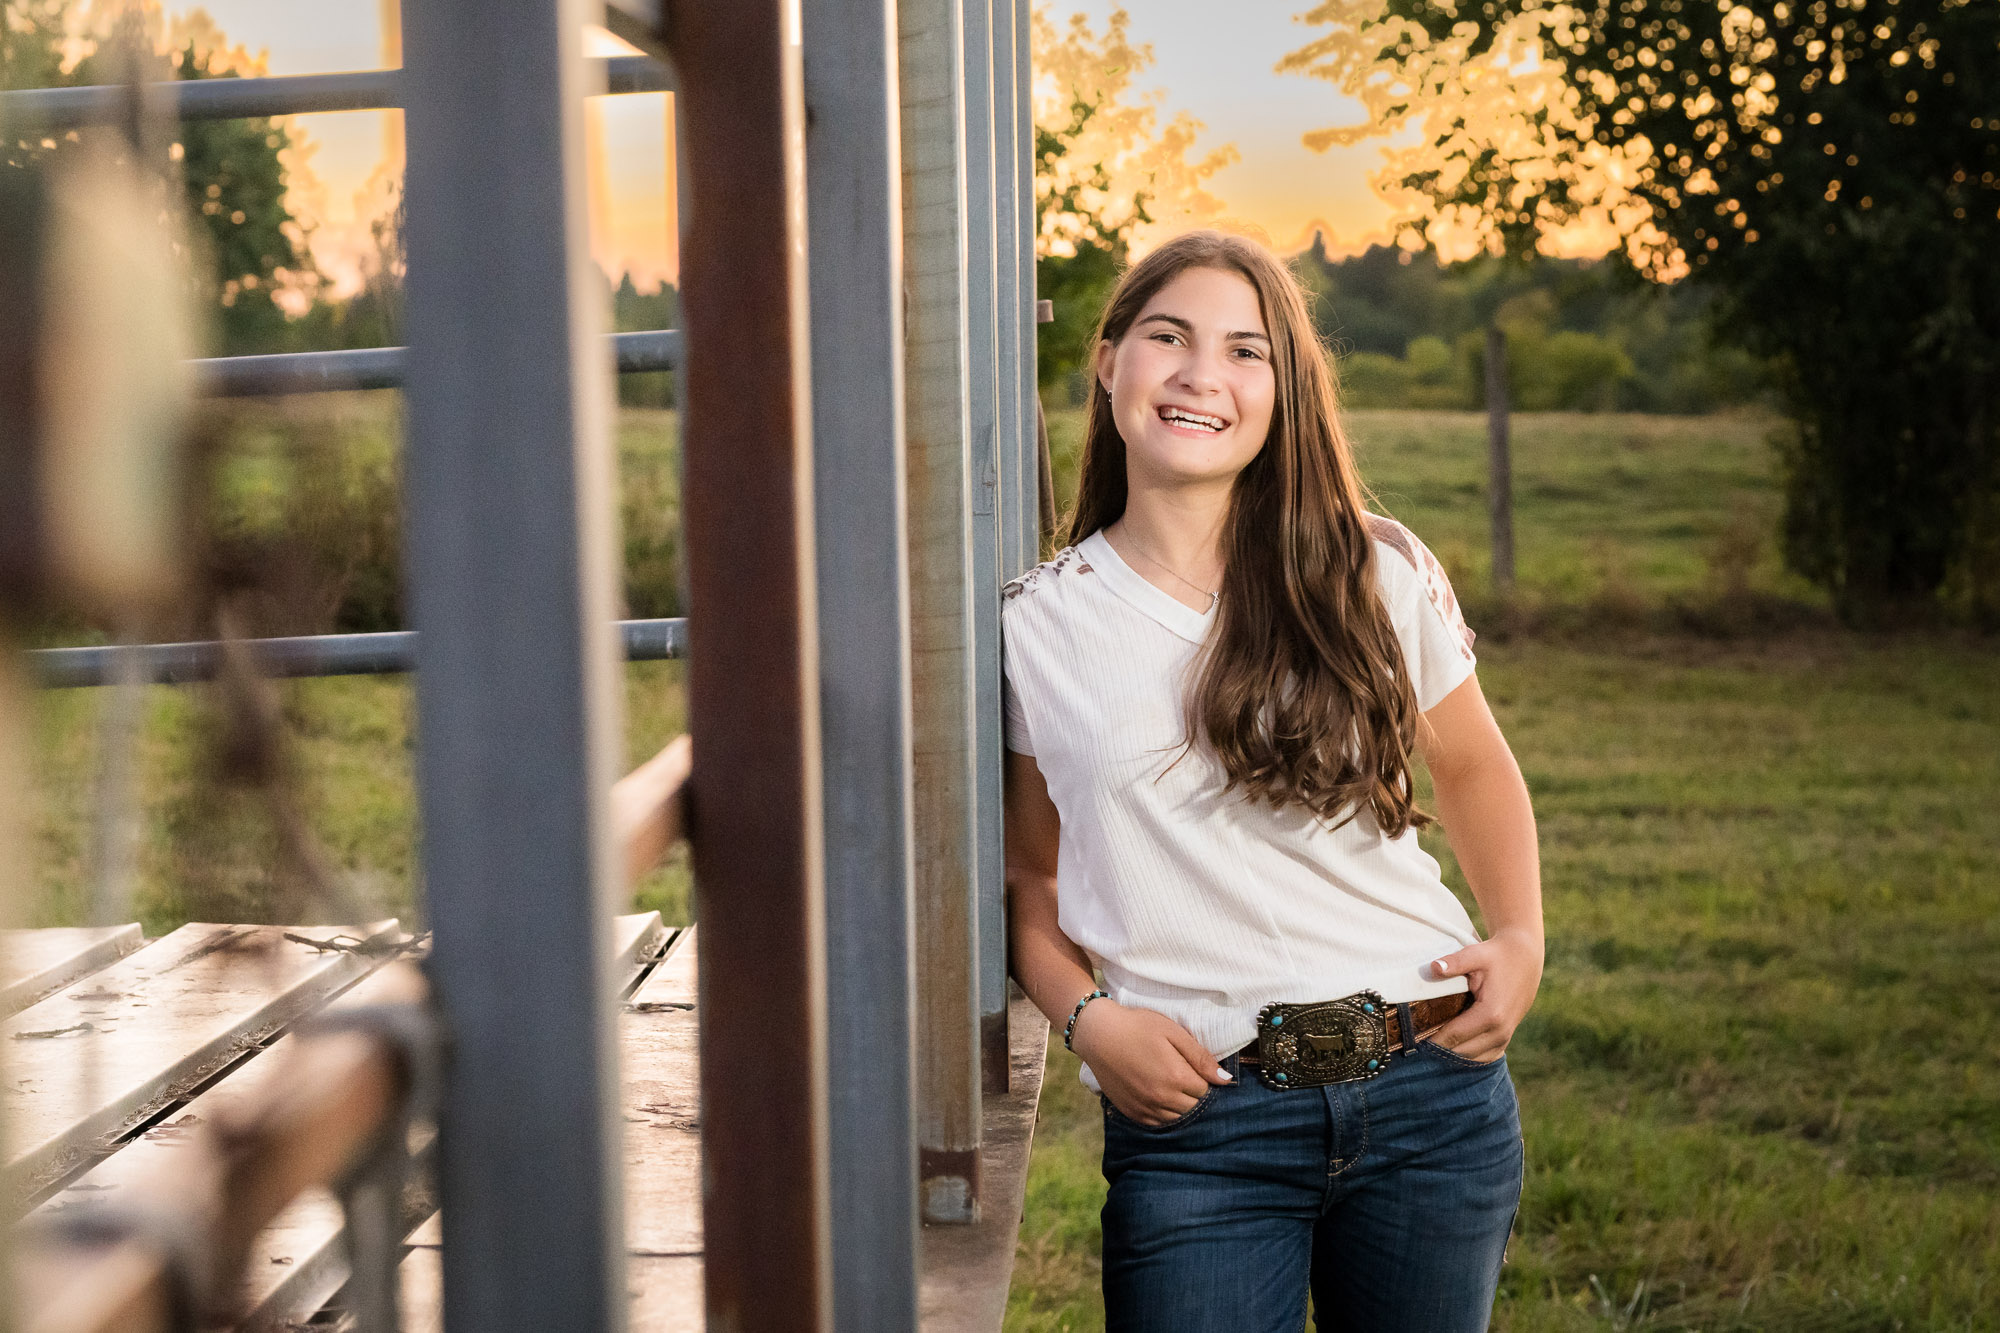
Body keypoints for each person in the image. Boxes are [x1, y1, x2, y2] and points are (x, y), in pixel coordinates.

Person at [1002, 230, 1543, 1333]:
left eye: (1245, 351)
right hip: (1200, 1123)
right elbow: (1025, 875)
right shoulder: (1030, 626)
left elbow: (1474, 763)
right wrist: (1087, 1019)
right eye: (1168, 337)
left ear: (1281, 389)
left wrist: (1521, 937)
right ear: (1106, 361)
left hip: (1430, 1087)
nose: (1203, 373)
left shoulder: (1369, 566)